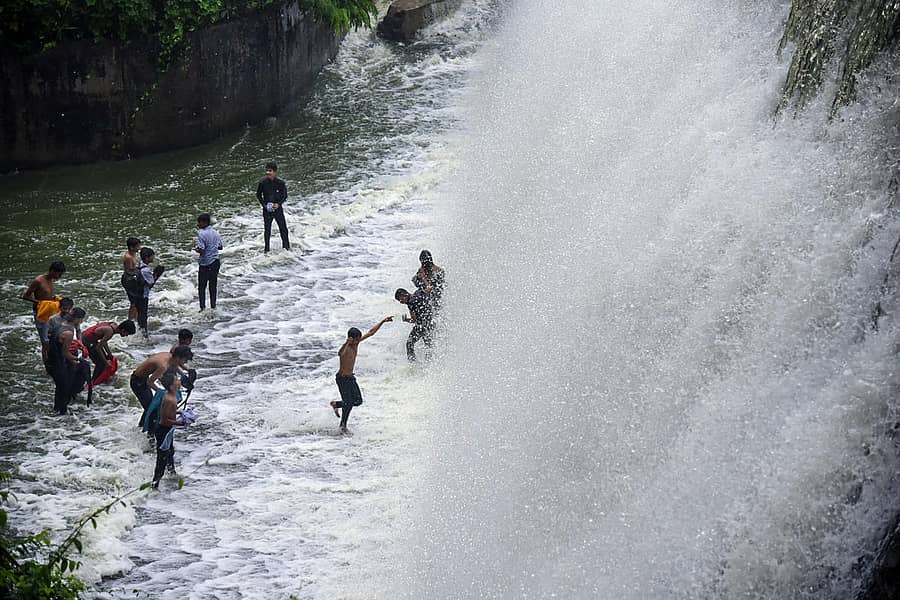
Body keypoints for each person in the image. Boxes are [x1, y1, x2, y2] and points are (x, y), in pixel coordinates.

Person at [330, 317, 393, 433]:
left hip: (350, 378)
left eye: (359, 339)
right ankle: (343, 426)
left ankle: (336, 404)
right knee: (348, 403)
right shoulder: (346, 348)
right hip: (342, 379)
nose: (358, 341)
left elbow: (371, 332)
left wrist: (383, 321)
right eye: (356, 340)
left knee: (358, 401)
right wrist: (346, 343)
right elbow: (340, 353)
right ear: (351, 339)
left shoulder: (356, 343)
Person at [130, 346, 193, 430]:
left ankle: (141, 426)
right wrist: (162, 393)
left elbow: (175, 366)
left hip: (144, 378)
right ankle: (149, 433)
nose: (185, 362)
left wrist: (184, 374)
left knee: (150, 405)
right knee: (152, 409)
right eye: (185, 360)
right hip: (138, 383)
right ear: (178, 357)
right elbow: (150, 382)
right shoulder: (163, 366)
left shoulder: (170, 356)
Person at [47, 307, 88, 415]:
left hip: (51, 359)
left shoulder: (59, 325)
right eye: (81, 319)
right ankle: (62, 412)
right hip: (59, 362)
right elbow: (65, 354)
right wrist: (77, 360)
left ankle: (56, 409)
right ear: (77, 319)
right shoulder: (69, 333)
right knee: (64, 387)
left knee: (60, 387)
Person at [23, 261, 66, 365]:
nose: (59, 277)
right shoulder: (38, 281)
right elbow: (26, 296)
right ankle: (47, 365)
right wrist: (41, 303)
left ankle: (54, 360)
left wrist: (54, 299)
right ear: (52, 271)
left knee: (55, 337)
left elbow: (46, 294)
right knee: (45, 342)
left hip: (50, 312)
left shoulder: (51, 280)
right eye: (59, 274)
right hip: (41, 313)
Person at [149, 370, 185, 489]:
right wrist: (179, 422)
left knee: (170, 452)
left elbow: (170, 413)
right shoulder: (169, 399)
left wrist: (180, 413)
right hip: (163, 431)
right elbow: (164, 420)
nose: (179, 381)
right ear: (171, 385)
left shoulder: (172, 396)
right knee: (162, 459)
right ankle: (154, 485)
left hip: (167, 430)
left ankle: (171, 473)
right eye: (176, 380)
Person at [255, 162, 291, 252]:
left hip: (278, 209)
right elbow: (258, 195)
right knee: (267, 230)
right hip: (267, 210)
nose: (268, 173)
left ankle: (286, 248)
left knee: (283, 228)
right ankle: (266, 249)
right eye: (267, 170)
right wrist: (264, 205)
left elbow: (285, 195)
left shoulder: (280, 183)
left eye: (270, 171)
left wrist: (278, 204)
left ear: (275, 172)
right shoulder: (262, 183)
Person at [395, 288, 435, 362]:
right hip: (430, 323)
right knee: (428, 346)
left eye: (401, 299)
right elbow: (429, 289)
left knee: (409, 344)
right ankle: (430, 363)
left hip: (421, 327)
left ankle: (412, 364)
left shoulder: (410, 304)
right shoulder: (418, 292)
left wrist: (406, 320)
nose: (401, 302)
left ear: (405, 294)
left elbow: (414, 320)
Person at [194, 213, 223, 311]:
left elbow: (202, 250)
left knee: (202, 287)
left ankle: (202, 308)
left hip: (205, 263)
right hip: (215, 262)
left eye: (199, 222)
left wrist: (196, 250)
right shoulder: (216, 232)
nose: (198, 224)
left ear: (205, 222)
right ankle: (213, 307)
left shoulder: (201, 234)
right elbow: (220, 247)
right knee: (213, 286)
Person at [136, 247, 165, 338]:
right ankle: (144, 334)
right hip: (143, 295)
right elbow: (151, 283)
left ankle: (140, 332)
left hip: (137, 293)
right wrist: (156, 274)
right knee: (143, 315)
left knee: (140, 314)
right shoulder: (146, 270)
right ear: (147, 258)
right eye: (152, 256)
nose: (153, 258)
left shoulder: (139, 265)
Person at [122, 237, 142, 321]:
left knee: (136, 301)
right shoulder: (128, 257)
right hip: (129, 280)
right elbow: (130, 271)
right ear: (131, 247)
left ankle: (135, 318)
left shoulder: (133, 254)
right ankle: (130, 320)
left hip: (132, 279)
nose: (139, 248)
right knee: (133, 302)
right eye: (137, 246)